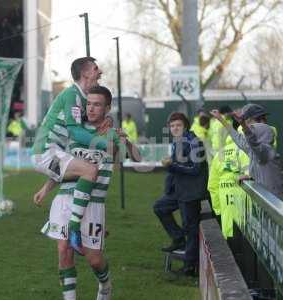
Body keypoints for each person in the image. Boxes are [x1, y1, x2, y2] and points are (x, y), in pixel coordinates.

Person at [34, 85, 141, 300]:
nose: (91, 108)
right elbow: (65, 166)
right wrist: (46, 188)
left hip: (93, 203)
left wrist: (125, 141)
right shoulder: (75, 132)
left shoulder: (111, 134)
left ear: (107, 108)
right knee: (64, 250)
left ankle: (106, 284)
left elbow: (138, 158)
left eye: (97, 105)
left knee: (94, 259)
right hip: (65, 198)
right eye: (88, 104)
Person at [32, 57, 112, 254]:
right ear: (85, 74)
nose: (100, 71)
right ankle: (75, 228)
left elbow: (87, 128)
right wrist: (105, 142)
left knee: (86, 170)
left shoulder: (82, 98)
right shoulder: (71, 95)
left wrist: (45, 188)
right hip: (46, 152)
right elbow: (76, 132)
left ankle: (76, 226)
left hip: (55, 154)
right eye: (95, 68)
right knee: (90, 170)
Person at [153, 112, 208, 276]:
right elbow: (176, 165)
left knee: (190, 228)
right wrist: (169, 185)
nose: (175, 128)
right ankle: (178, 239)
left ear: (185, 126)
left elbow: (195, 169)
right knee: (159, 208)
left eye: (178, 125)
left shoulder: (194, 142)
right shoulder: (177, 141)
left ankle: (190, 266)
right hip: (178, 190)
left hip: (191, 192)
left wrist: (173, 165)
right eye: (172, 126)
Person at [211, 104, 283, 198]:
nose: (263, 123)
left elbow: (254, 143)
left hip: (274, 204)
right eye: (258, 119)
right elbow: (237, 137)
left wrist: (243, 125)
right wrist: (221, 119)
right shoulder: (253, 148)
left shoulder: (265, 150)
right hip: (266, 202)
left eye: (264, 119)